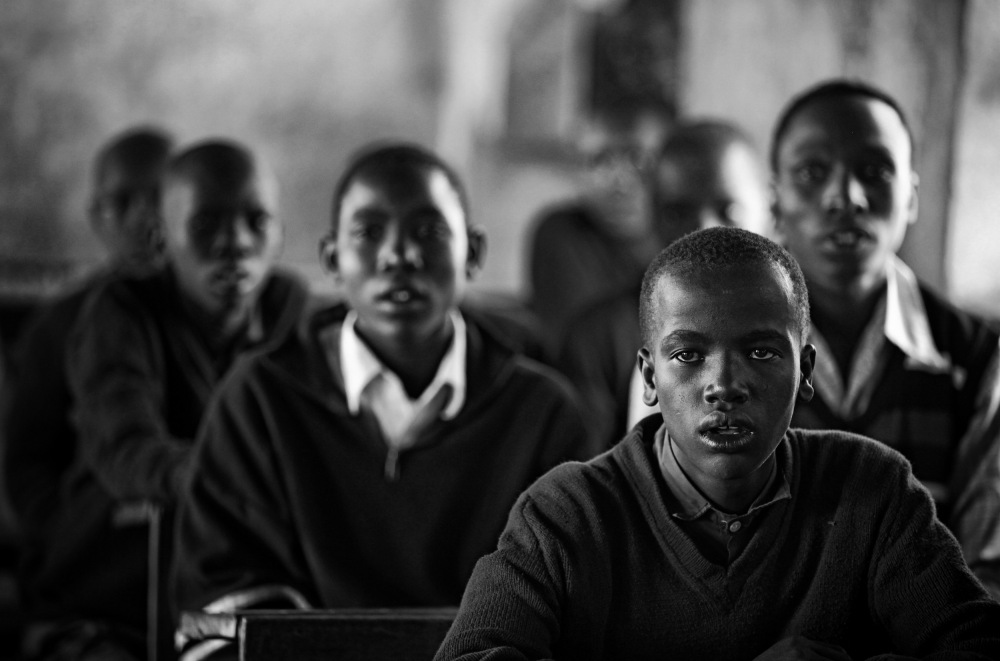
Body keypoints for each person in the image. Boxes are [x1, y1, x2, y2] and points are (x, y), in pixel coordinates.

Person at [434, 227, 1000, 661]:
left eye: (761, 352)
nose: (724, 386)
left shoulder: (869, 490)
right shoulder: (567, 515)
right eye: (687, 355)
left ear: (804, 370)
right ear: (649, 377)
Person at [172, 143, 595, 660]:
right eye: (369, 233)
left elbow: (576, 605)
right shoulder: (260, 399)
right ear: (332, 259)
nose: (399, 256)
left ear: (473, 253)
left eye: (429, 231)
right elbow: (219, 605)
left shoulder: (543, 414)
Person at [17, 139, 307, 661]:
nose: (235, 244)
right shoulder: (122, 313)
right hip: (111, 590)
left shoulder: (292, 311)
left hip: (232, 591)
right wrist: (242, 478)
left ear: (280, 234)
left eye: (256, 222)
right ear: (161, 238)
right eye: (206, 225)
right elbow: (128, 451)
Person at [771, 79, 1000, 598]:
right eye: (812, 172)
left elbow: (988, 572)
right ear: (775, 200)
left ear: (912, 197)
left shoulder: (974, 360)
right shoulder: (723, 346)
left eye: (875, 172)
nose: (844, 197)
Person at [3, 127, 173, 539]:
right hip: (96, 548)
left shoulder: (210, 311)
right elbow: (28, 465)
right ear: (96, 217)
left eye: (160, 199)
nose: (142, 218)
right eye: (122, 202)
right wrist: (61, 536)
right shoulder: (62, 323)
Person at [558, 120, 770, 447]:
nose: (703, 232)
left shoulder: (800, 332)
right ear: (652, 215)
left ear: (770, 208)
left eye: (729, 211)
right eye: (678, 213)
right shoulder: (600, 337)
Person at [528, 118, 660, 357]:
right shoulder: (562, 233)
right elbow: (579, 353)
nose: (620, 181)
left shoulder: (687, 242)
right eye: (601, 161)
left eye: (638, 160)